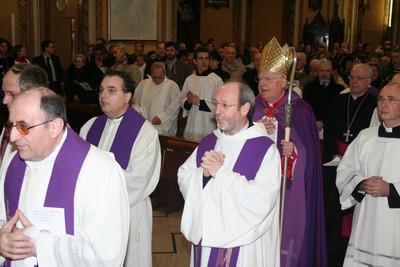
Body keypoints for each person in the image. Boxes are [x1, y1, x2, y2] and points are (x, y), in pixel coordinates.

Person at [0, 87, 130, 266]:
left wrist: (37, 244)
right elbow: (2, 217)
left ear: (55, 127)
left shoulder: (98, 170)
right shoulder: (13, 162)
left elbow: (106, 253)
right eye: (10, 125)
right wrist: (3, 239)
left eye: (22, 127)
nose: (13, 137)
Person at [178, 82, 281, 266]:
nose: (217, 111)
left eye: (225, 105)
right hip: (206, 237)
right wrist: (203, 175)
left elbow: (263, 199)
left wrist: (221, 174)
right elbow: (184, 174)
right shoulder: (210, 141)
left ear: (245, 108)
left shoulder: (264, 148)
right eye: (216, 103)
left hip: (243, 244)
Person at [252, 37, 327, 267]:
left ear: (284, 81)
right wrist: (255, 130)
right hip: (257, 190)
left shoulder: (301, 111)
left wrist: (294, 153)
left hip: (288, 191)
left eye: (268, 79)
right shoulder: (252, 107)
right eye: (260, 78)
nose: (262, 84)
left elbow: (311, 159)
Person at [80, 70, 161, 267]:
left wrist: (96, 183)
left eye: (111, 90)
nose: (103, 95)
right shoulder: (90, 126)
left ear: (127, 96)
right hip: (90, 212)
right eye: (101, 90)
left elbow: (140, 179)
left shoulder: (145, 132)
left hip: (128, 209)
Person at [336, 81, 400, 266]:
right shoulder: (366, 136)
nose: (383, 104)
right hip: (366, 217)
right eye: (380, 99)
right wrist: (362, 183)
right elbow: (345, 170)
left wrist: (391, 189)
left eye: (391, 99)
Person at [323, 63, 377, 266]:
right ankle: (329, 244)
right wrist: (334, 153)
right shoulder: (338, 100)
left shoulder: (373, 104)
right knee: (331, 205)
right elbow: (328, 130)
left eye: (359, 78)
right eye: (352, 77)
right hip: (335, 160)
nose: (354, 81)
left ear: (369, 81)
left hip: (358, 163)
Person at [0, 63, 48, 166]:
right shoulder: (12, 123)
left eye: (11, 94)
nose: (4, 101)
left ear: (34, 94)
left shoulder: (48, 134)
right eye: (4, 93)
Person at [179, 47, 223, 141]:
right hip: (192, 123)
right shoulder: (189, 79)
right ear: (195, 61)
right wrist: (188, 102)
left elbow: (219, 104)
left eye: (206, 58)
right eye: (200, 58)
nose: (204, 61)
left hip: (208, 125)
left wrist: (199, 102)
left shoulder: (216, 80)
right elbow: (181, 98)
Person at [134, 62, 180, 136]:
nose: (157, 80)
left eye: (160, 77)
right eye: (154, 77)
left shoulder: (172, 86)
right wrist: (139, 112)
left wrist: (161, 118)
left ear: (164, 73)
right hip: (145, 125)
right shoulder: (143, 84)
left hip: (162, 129)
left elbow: (174, 108)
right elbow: (135, 102)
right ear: (151, 74)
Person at [303, 58, 345, 135]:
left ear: (331, 72)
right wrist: (314, 121)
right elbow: (305, 108)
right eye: (322, 71)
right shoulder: (308, 88)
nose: (324, 74)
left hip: (331, 128)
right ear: (317, 72)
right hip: (311, 126)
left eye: (327, 71)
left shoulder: (339, 89)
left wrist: (324, 122)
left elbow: (338, 111)